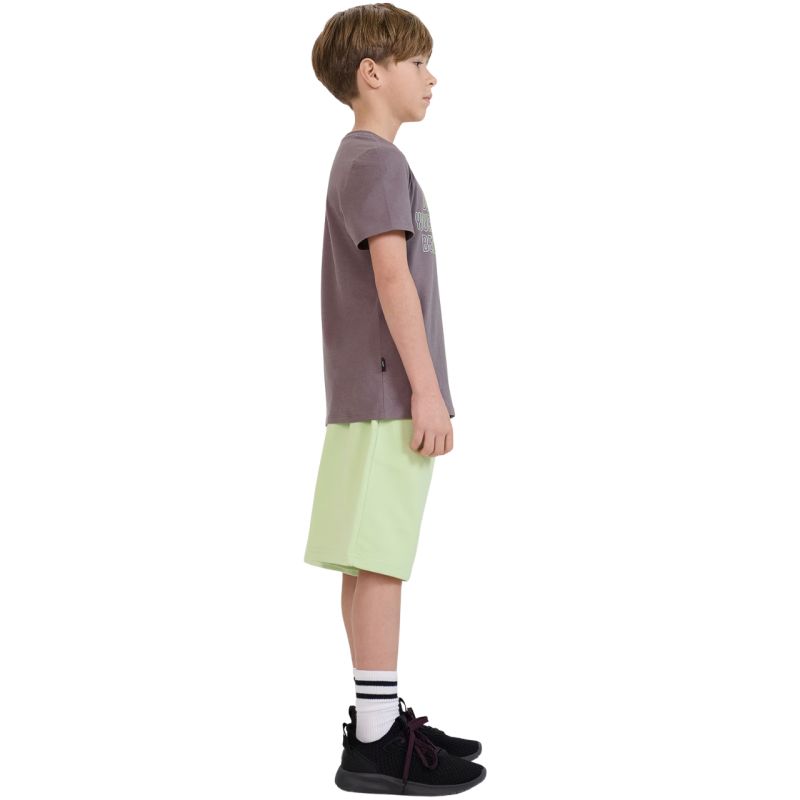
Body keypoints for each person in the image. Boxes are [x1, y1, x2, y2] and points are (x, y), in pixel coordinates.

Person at [304, 3, 486, 794]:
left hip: (359, 394)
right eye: (417, 63)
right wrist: (428, 390)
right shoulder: (377, 162)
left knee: (363, 558)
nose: (432, 77)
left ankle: (376, 719)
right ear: (372, 73)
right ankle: (378, 738)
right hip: (388, 393)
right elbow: (391, 277)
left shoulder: (357, 159)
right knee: (381, 559)